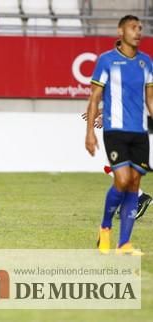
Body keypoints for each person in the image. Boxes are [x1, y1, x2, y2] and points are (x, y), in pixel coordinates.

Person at [85, 15, 153, 255]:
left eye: (140, 28)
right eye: (133, 27)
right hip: (115, 131)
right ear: (120, 31)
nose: (138, 31)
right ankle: (105, 228)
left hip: (140, 133)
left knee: (134, 185)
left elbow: (150, 99)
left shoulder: (147, 62)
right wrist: (90, 133)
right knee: (122, 180)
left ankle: (124, 243)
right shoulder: (107, 60)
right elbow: (94, 97)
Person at [81, 110, 153, 220]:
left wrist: (99, 113)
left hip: (132, 129)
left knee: (115, 167)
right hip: (132, 128)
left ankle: (140, 197)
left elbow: (120, 104)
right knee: (114, 167)